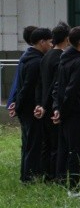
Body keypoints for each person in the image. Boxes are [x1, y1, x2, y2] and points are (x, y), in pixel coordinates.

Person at [52, 26, 80, 199]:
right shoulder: (78, 63)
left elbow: (58, 87)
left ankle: (62, 182)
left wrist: (57, 109)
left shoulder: (64, 59)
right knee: (75, 150)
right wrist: (63, 110)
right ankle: (74, 189)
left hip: (66, 111)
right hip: (75, 112)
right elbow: (72, 90)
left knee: (65, 148)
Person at [12, 27, 52, 182]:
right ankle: (28, 177)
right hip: (30, 109)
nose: (51, 45)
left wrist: (16, 104)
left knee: (28, 142)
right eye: (49, 42)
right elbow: (28, 87)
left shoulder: (26, 57)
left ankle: (27, 174)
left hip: (25, 108)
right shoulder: (36, 62)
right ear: (41, 42)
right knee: (33, 144)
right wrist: (19, 106)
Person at [36, 21, 70, 182]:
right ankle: (56, 175)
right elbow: (55, 86)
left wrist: (40, 104)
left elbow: (41, 84)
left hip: (45, 104)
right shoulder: (60, 58)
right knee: (57, 143)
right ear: (67, 39)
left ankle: (47, 174)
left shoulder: (46, 56)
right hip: (53, 106)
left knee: (47, 143)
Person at [6, 25, 37, 117]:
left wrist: (14, 101)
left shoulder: (25, 56)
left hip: (20, 101)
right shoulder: (33, 59)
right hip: (27, 104)